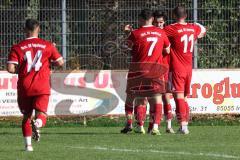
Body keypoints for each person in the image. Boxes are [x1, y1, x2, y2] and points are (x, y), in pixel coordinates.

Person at [7, 19, 64, 151]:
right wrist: (49, 61)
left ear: (24, 30)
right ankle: (38, 124)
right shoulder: (48, 45)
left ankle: (28, 147)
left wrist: (22, 70)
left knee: (26, 117)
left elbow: (10, 69)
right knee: (42, 114)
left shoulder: (17, 47)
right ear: (38, 29)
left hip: (25, 87)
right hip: (42, 86)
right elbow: (60, 62)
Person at [121, 9, 170, 135]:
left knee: (138, 99)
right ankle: (155, 127)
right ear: (152, 19)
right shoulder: (160, 32)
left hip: (139, 70)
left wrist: (127, 33)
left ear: (141, 19)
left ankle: (139, 126)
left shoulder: (136, 33)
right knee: (157, 99)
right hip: (156, 70)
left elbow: (126, 47)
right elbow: (168, 50)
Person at [164, 6, 206, 134]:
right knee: (185, 97)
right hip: (189, 68)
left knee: (179, 96)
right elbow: (203, 30)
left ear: (173, 15)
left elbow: (160, 35)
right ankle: (185, 124)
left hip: (177, 68)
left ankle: (183, 126)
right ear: (186, 15)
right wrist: (196, 36)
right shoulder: (193, 28)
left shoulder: (171, 28)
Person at [147, 11, 174, 134]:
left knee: (166, 97)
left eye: (161, 22)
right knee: (152, 98)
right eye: (157, 22)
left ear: (165, 22)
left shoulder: (168, 32)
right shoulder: (151, 33)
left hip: (166, 68)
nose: (159, 24)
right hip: (154, 69)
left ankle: (168, 125)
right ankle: (152, 125)